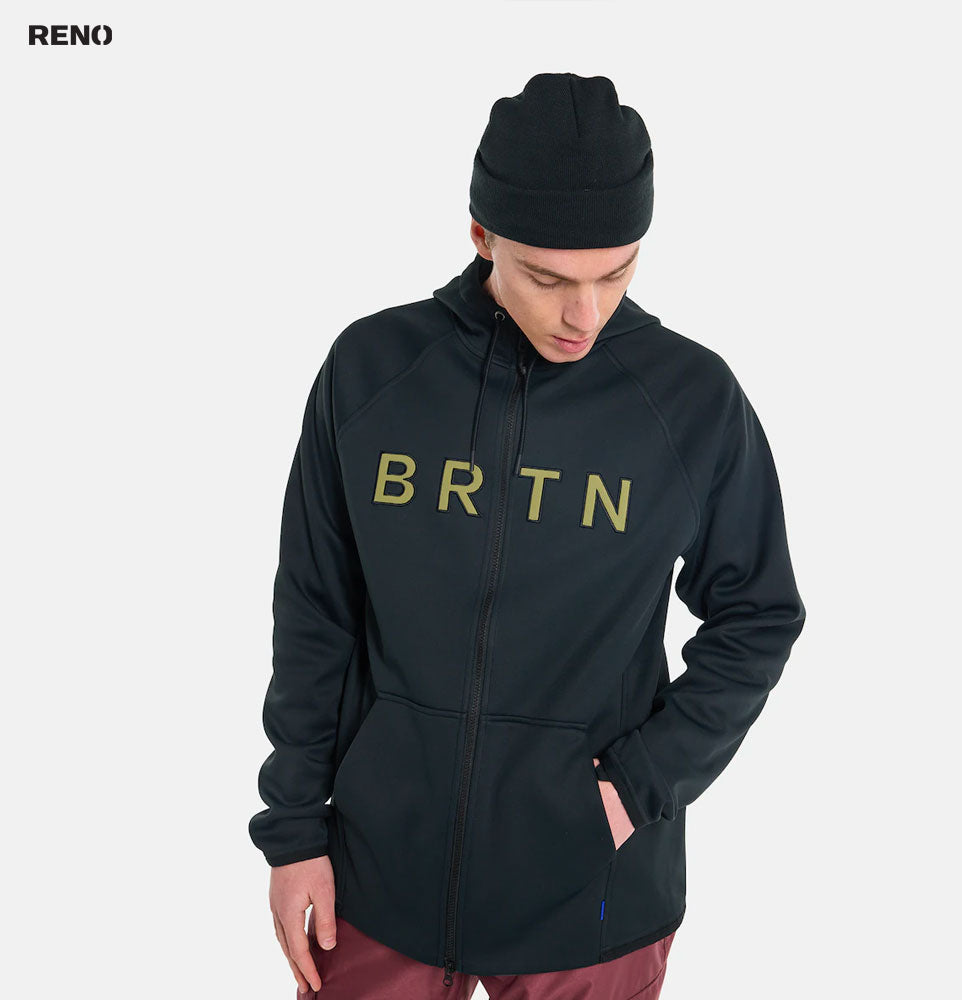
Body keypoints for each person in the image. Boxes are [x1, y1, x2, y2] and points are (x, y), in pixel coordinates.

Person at [248, 71, 806, 999]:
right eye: (549, 279)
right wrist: (294, 831)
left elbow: (759, 614)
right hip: (377, 879)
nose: (585, 315)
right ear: (482, 237)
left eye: (616, 274)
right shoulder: (373, 372)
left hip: (592, 900)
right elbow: (315, 610)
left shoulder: (689, 401)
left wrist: (634, 787)